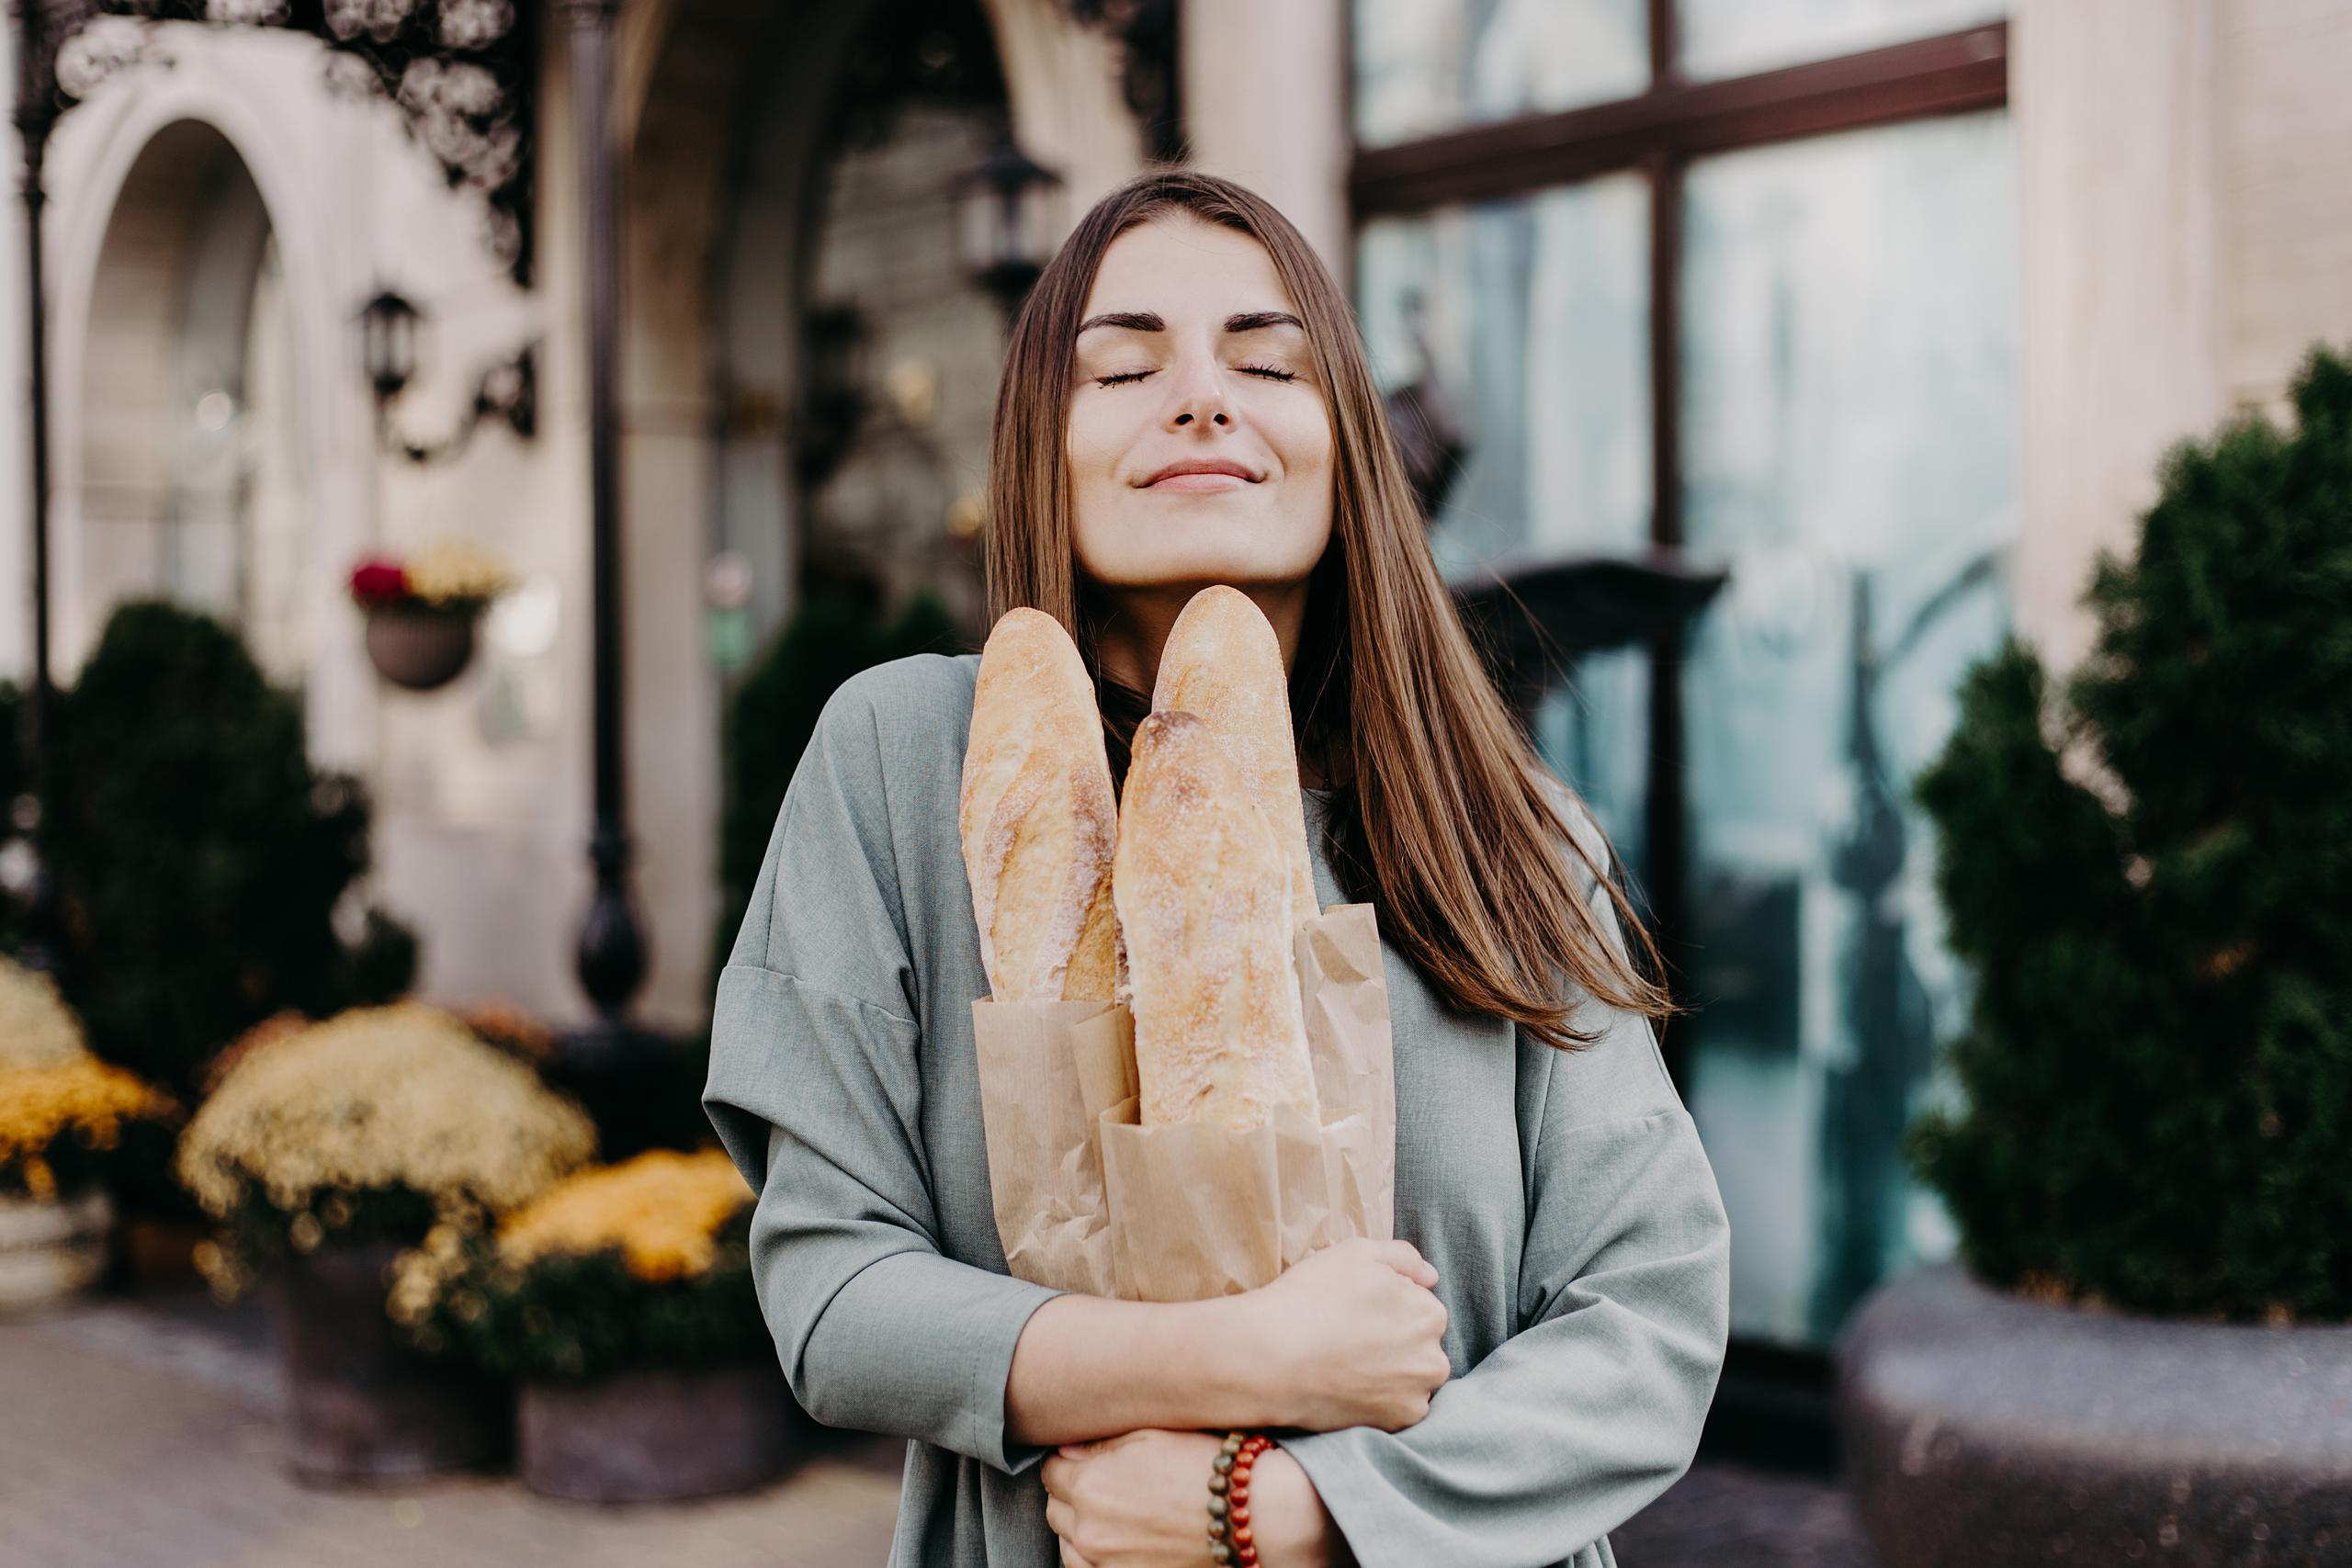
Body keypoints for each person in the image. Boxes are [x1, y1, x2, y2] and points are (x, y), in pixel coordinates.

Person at [703, 169, 1731, 1568]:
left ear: (1346, 445)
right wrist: (1251, 1354)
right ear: (1041, 445)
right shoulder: (909, 761)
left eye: (1268, 363)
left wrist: (1288, 1513)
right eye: (1125, 367)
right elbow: (832, 1297)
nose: (1200, 398)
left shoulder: (1510, 828)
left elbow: (1649, 1319)